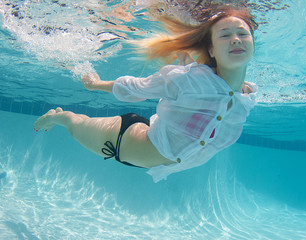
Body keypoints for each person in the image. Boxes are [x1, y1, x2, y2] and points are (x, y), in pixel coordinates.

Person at [34, 6, 258, 182]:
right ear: (211, 49)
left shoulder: (246, 98)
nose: (236, 39)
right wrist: (96, 84)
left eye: (242, 34)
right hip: (122, 141)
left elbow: (210, 96)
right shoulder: (188, 79)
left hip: (151, 137)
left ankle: (60, 117)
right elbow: (136, 88)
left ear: (253, 44)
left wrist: (189, 63)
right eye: (225, 35)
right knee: (74, 125)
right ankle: (56, 117)